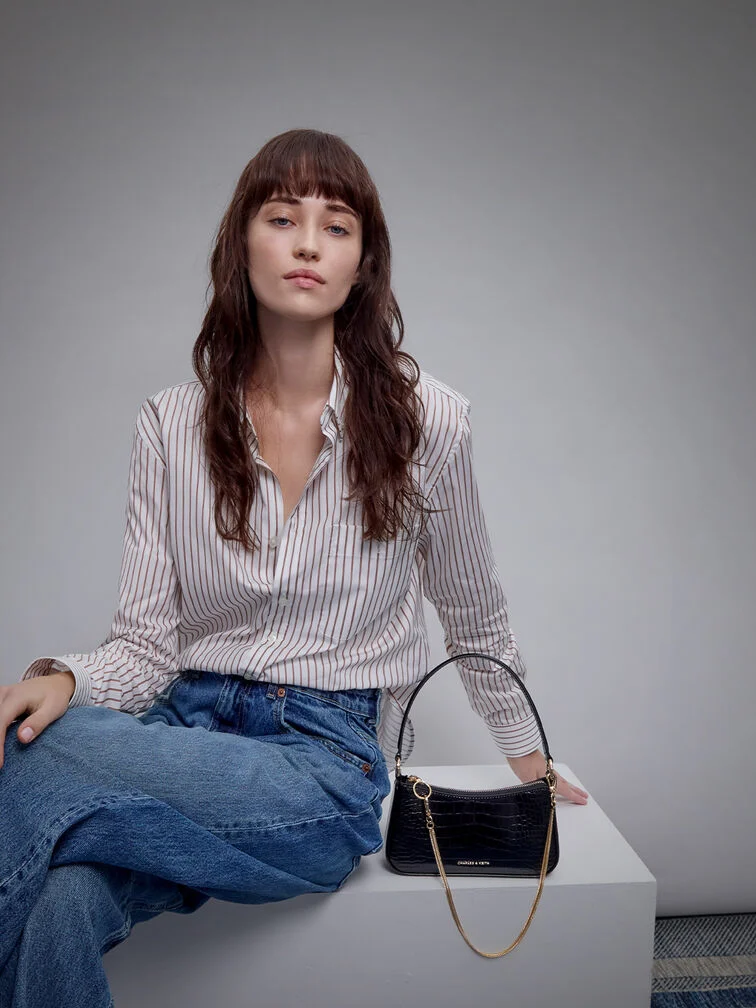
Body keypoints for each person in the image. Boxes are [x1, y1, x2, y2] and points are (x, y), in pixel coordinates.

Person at [0, 128, 589, 1006]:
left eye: (336, 226)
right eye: (282, 218)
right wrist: (66, 678)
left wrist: (528, 760)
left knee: (46, 755)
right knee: (58, 902)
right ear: (241, 245)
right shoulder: (170, 425)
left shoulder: (429, 422)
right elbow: (145, 649)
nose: (308, 243)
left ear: (363, 263)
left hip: (319, 765)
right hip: (182, 733)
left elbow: (472, 610)